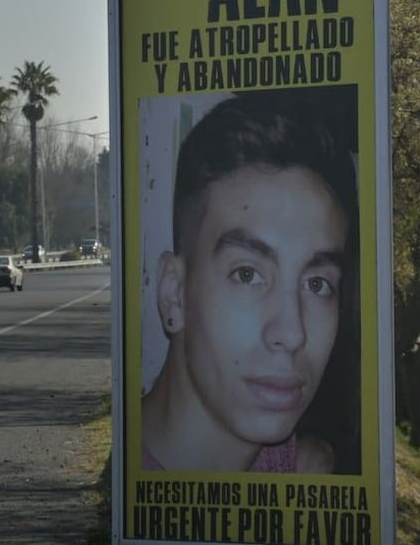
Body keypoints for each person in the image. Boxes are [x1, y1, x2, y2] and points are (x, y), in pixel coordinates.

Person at [141, 88, 360, 473]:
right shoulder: (126, 509)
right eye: (247, 274)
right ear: (174, 294)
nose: (292, 334)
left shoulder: (308, 475)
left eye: (317, 285)